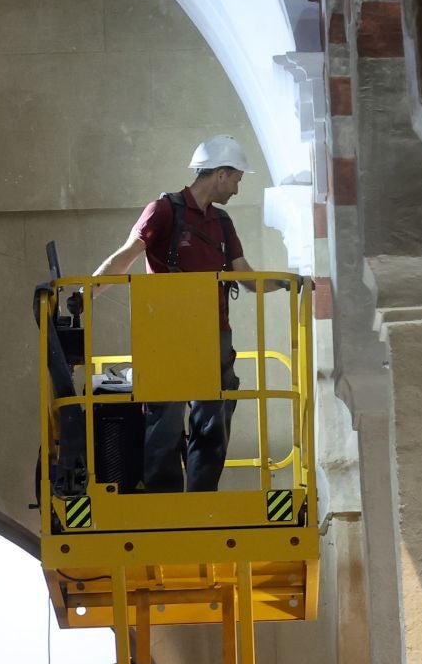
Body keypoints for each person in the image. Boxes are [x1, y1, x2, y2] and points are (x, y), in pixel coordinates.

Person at [92, 134, 291, 493]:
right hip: (168, 334)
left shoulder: (223, 222)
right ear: (220, 173)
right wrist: (86, 291)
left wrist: (288, 283)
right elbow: (126, 256)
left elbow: (244, 276)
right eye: (236, 179)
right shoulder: (164, 210)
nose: (236, 188)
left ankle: (201, 497)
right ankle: (163, 499)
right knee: (165, 420)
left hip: (214, 333)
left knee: (214, 418)